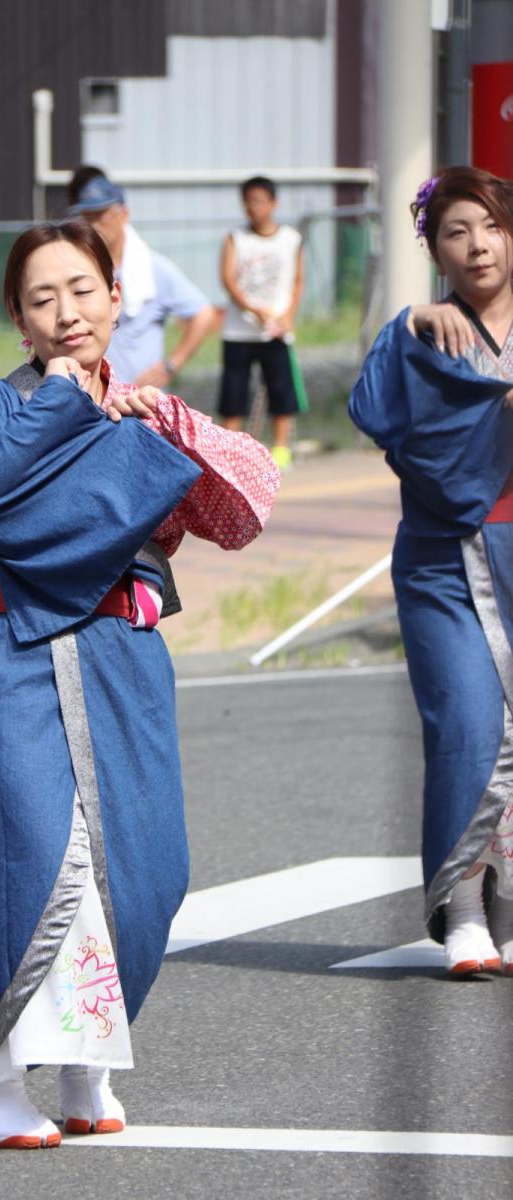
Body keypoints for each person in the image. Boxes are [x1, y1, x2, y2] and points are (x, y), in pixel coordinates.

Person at [0, 219, 279, 1148]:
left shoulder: (146, 409)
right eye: (41, 298)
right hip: (9, 658)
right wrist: (56, 402)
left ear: (116, 296)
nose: (66, 312)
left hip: (125, 660)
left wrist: (169, 428)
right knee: (29, 862)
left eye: (83, 290)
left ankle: (89, 1059)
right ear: (17, 318)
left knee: (143, 866)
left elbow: (247, 507)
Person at [349, 165, 513, 977]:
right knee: (468, 727)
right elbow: (371, 413)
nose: (476, 244)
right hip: (443, 559)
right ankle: (461, 907)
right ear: (433, 249)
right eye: (455, 230)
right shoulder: (421, 330)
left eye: (489, 225)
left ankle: (503, 905)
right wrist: (402, 327)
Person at [67, 172, 216, 388]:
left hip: (143, 405)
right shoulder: (75, 269)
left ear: (124, 215)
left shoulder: (153, 268)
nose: (93, 225)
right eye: (86, 217)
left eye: (100, 215)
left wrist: (171, 365)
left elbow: (203, 314)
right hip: (90, 400)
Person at [218, 176, 306, 470]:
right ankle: (230, 451)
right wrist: (252, 309)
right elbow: (228, 279)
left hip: (275, 332)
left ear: (273, 203)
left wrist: (287, 315)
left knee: (281, 389)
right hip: (239, 330)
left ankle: (281, 449)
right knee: (234, 392)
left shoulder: (290, 239)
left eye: (258, 201)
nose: (252, 207)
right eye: (248, 201)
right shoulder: (236, 238)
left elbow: (297, 281)